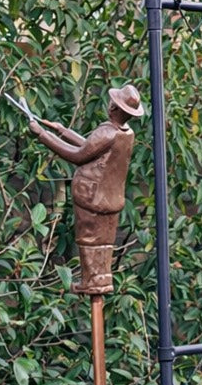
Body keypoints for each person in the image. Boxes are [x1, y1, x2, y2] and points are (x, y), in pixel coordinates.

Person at [30, 84, 144, 295]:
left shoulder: (107, 132)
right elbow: (91, 148)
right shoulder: (126, 133)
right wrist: (61, 131)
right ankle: (102, 279)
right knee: (105, 241)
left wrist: (42, 136)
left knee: (89, 238)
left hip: (92, 196)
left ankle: (90, 281)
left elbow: (78, 156)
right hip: (111, 197)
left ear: (115, 108)